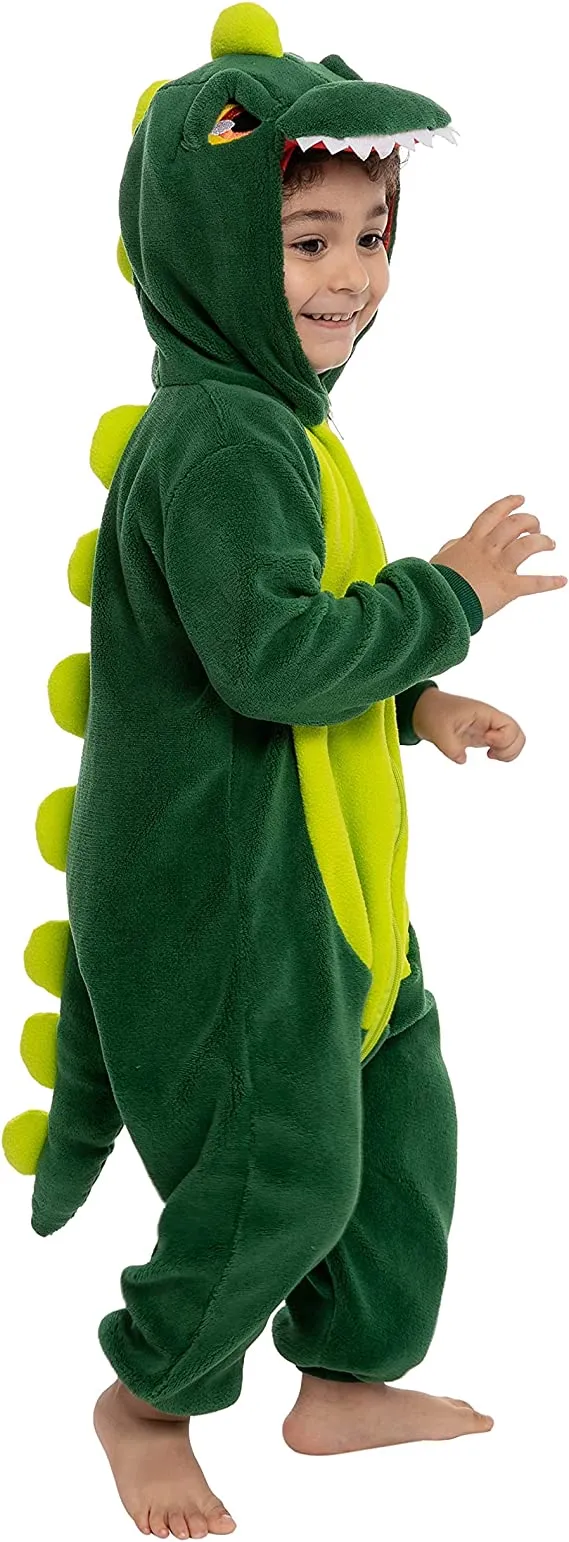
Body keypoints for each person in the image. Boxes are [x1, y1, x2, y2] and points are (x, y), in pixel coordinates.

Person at [4, 6, 566, 1538]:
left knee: (400, 1133)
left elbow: (299, 634)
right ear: (209, 252)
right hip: (228, 901)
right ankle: (150, 1394)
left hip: (333, 879)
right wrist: (449, 593)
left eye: (371, 237)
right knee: (285, 1169)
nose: (350, 276)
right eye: (307, 240)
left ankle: (341, 1377)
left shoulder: (283, 427)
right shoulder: (221, 440)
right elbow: (266, 661)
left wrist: (422, 703)